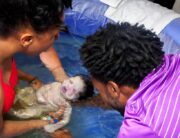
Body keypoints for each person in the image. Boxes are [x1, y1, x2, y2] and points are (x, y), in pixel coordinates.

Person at [80, 23, 180, 138]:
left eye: (99, 91)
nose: (102, 98)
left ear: (113, 89)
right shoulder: (175, 60)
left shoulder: (139, 128)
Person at [0, 0, 72, 137]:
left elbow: (43, 44)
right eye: (54, 36)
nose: (57, 38)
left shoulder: (6, 41)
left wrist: (31, 78)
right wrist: (43, 123)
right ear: (26, 40)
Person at [11, 75, 94, 133]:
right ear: (67, 78)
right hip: (37, 97)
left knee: (29, 113)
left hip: (44, 111)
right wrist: (39, 93)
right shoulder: (56, 84)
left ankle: (14, 114)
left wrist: (51, 127)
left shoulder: (66, 105)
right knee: (26, 92)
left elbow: (65, 120)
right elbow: (45, 88)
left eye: (74, 90)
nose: (69, 87)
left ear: (75, 99)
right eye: (70, 81)